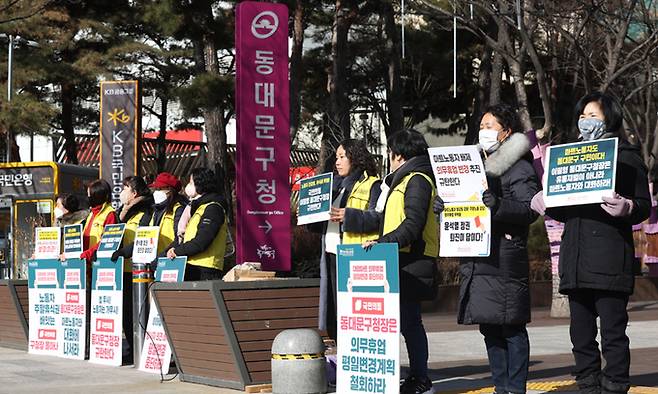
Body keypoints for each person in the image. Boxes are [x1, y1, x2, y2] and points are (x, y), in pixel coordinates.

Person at [531, 92, 650, 394]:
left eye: (593, 116)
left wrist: (628, 208)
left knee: (612, 331)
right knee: (580, 332)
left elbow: (642, 205)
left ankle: (615, 383)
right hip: (576, 257)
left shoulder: (626, 156)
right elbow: (565, 209)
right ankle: (586, 382)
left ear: (610, 118)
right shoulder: (571, 158)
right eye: (582, 116)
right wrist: (547, 202)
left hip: (609, 257)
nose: (586, 122)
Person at [435, 104, 539, 394]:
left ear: (507, 131)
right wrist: (444, 207)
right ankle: (500, 386)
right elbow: (463, 205)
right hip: (478, 255)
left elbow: (529, 209)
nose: (484, 131)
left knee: (511, 327)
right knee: (490, 327)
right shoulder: (473, 166)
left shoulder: (519, 166)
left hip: (504, 256)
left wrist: (499, 205)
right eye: (481, 125)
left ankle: (515, 388)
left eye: (490, 125)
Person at [364, 129, 438, 394]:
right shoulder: (405, 179)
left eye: (391, 153)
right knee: (404, 322)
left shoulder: (416, 179)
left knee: (409, 322)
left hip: (411, 260)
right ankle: (414, 377)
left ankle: (421, 379)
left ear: (399, 154)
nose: (389, 159)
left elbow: (413, 224)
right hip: (400, 258)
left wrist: (382, 243)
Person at [315, 138, 382, 342]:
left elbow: (379, 218)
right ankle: (341, 349)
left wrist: (349, 216)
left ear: (355, 157)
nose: (337, 162)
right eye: (336, 157)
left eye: (342, 157)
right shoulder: (334, 187)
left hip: (356, 258)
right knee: (335, 311)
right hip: (331, 255)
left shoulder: (373, 184)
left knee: (351, 312)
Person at [110, 176, 154, 362]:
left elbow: (142, 238)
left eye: (125, 188)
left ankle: (141, 348)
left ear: (134, 192)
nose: (121, 192)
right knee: (127, 313)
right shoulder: (124, 212)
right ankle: (132, 347)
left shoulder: (146, 211)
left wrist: (123, 252)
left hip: (140, 270)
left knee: (140, 312)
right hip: (124, 270)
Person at [166, 167, 228, 281]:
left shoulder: (213, 208)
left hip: (206, 269)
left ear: (200, 184)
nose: (188, 186)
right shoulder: (200, 207)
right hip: (193, 266)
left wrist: (177, 251)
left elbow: (202, 241)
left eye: (191, 182)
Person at [148, 172, 187, 257]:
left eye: (159, 189)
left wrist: (162, 256)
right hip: (154, 259)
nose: (156, 192)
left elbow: (180, 238)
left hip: (170, 260)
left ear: (169, 190)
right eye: (155, 189)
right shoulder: (156, 211)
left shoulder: (178, 209)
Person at [80, 179, 117, 264]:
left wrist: (87, 254)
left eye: (89, 195)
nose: (87, 198)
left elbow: (107, 242)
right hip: (86, 262)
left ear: (97, 196)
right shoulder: (92, 213)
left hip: (98, 262)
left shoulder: (109, 214)